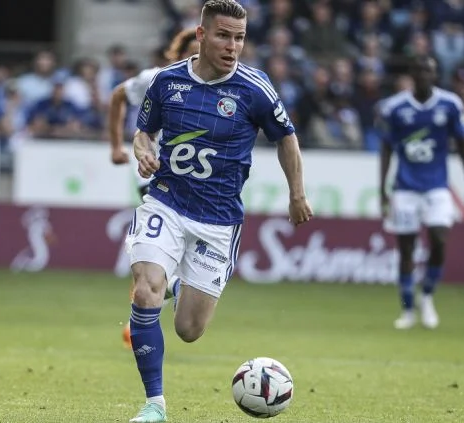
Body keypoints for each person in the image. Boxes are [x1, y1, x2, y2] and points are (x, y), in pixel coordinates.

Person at [124, 1, 312, 422]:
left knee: (189, 330)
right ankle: (155, 405)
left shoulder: (254, 89)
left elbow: (286, 137)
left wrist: (297, 194)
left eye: (240, 38)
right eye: (224, 35)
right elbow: (142, 132)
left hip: (218, 220)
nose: (232, 46)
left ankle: (175, 284)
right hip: (166, 201)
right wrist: (143, 151)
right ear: (201, 35)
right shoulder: (167, 81)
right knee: (146, 288)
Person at [108, 27, 200, 350]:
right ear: (178, 54)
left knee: (167, 253)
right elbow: (118, 95)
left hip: (189, 180)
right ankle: (167, 292)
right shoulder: (156, 78)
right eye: (192, 52)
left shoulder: (216, 88)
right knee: (152, 247)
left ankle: (153, 305)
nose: (198, 57)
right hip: (153, 175)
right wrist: (116, 146)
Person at [377, 56, 464, 331]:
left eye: (429, 71)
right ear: (412, 74)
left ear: (435, 74)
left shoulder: (451, 104)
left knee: (439, 240)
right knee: (406, 249)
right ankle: (408, 309)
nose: (424, 75)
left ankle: (428, 296)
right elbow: (386, 149)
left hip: (437, 187)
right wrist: (382, 188)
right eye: (420, 70)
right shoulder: (395, 107)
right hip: (405, 188)